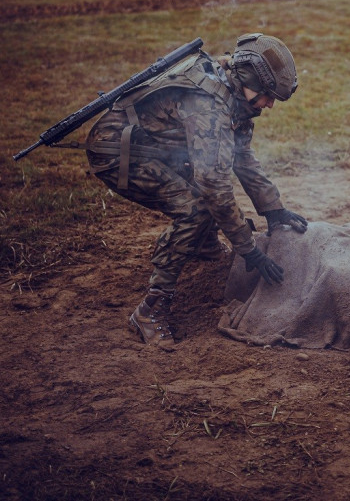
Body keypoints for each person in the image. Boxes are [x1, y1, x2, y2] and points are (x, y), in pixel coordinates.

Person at [85, 33, 308, 349]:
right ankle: (151, 308)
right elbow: (214, 186)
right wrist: (248, 248)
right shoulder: (210, 107)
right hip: (119, 152)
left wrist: (272, 208)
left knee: (206, 182)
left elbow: (241, 154)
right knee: (196, 209)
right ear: (249, 79)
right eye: (268, 96)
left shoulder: (233, 91)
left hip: (158, 145)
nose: (270, 104)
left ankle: (203, 246)